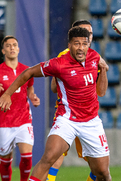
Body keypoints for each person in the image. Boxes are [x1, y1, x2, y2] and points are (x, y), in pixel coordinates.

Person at [0, 27, 111, 181]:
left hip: (91, 122)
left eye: (84, 44)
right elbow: (28, 73)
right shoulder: (59, 64)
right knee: (48, 158)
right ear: (69, 45)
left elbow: (102, 91)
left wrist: (103, 70)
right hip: (67, 120)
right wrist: (7, 93)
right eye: (76, 44)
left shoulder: (95, 57)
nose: (81, 48)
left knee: (103, 173)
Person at [0, 36, 40, 181]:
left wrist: (32, 96)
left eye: (14, 45)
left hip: (24, 120)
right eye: (8, 46)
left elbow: (30, 87)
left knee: (27, 157)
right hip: (4, 122)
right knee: (6, 161)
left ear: (18, 49)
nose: (12, 48)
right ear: (3, 50)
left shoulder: (27, 70)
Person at [47, 19, 97, 181]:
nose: (87, 35)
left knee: (96, 161)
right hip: (67, 115)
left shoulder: (94, 57)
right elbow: (54, 87)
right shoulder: (64, 55)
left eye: (89, 33)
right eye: (84, 32)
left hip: (87, 117)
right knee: (55, 155)